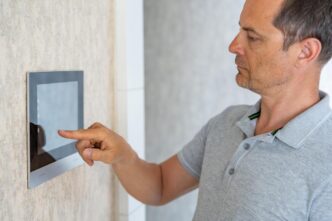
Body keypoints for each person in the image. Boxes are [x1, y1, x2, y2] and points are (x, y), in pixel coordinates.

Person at [59, 0, 332, 220]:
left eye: (253, 37)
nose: (234, 46)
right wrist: (123, 156)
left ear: (305, 51)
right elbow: (161, 185)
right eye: (240, 30)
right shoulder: (227, 123)